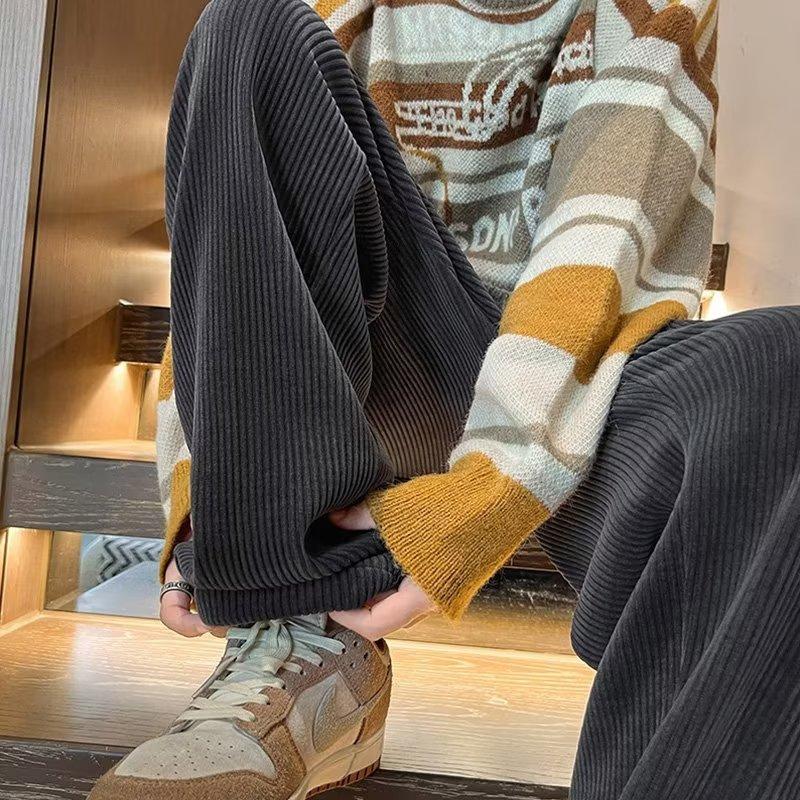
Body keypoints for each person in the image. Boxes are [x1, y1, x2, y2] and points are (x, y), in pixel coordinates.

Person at [89, 0, 800, 798]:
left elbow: (598, 249)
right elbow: (235, 248)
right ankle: (298, 640)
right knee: (246, 22)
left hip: (579, 367)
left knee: (781, 365)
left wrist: (482, 501)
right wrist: (205, 494)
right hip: (390, 358)